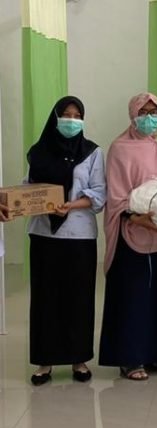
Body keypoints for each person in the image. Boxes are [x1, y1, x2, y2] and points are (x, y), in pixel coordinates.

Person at [11, 96, 105, 385]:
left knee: (78, 298)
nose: (71, 120)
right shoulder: (38, 152)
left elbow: (99, 193)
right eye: (66, 114)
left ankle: (79, 359)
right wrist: (30, 202)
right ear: (55, 117)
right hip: (44, 234)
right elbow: (28, 187)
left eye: (77, 115)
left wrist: (70, 205)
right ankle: (45, 361)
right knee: (46, 299)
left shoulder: (92, 152)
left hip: (79, 235)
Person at [98, 92, 157, 381]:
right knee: (134, 297)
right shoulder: (120, 148)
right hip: (133, 231)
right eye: (144, 112)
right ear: (133, 115)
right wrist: (139, 218)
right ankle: (131, 358)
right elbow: (117, 195)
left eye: (155, 112)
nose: (150, 118)